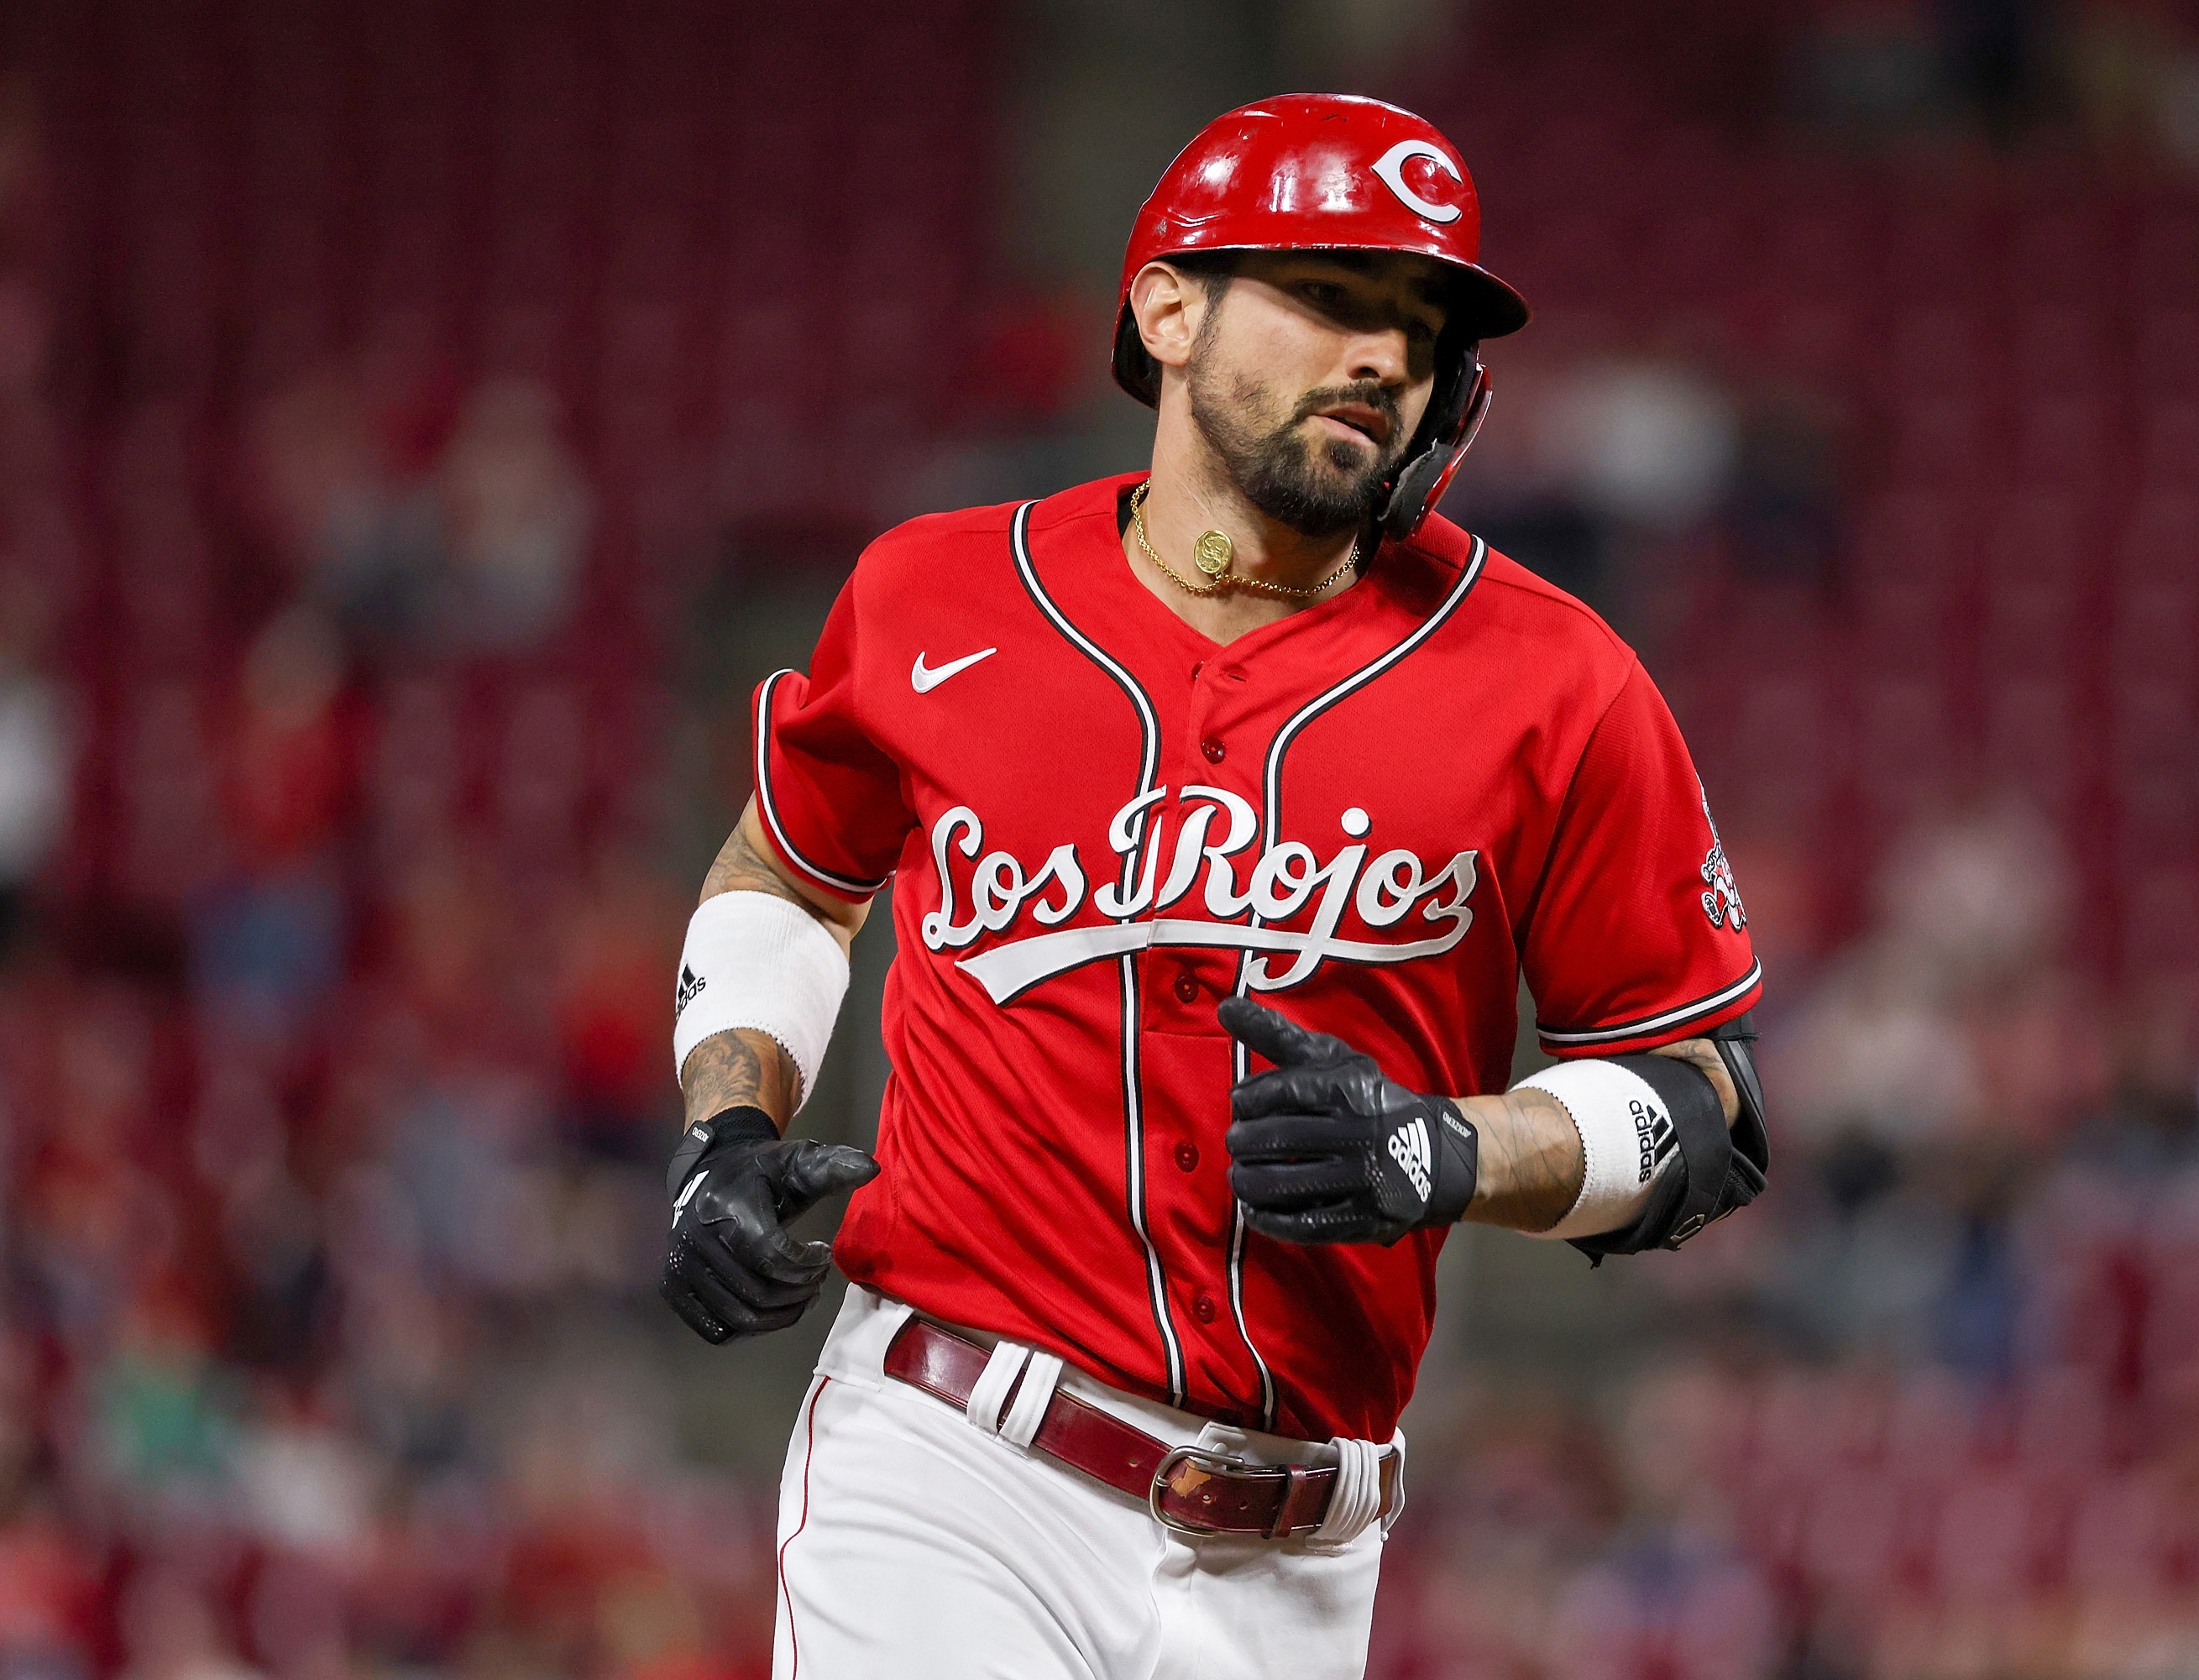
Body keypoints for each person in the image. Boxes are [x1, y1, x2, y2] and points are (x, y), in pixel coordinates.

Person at [657, 95, 1771, 1680]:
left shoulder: (1558, 681)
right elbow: (794, 858)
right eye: (1331, 299)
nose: (1382, 355)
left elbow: (1708, 1101)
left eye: (1415, 322)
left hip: (1305, 1553)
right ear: (1168, 307)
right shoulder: (935, 592)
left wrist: (1460, 1146)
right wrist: (726, 1126)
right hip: (953, 1464)